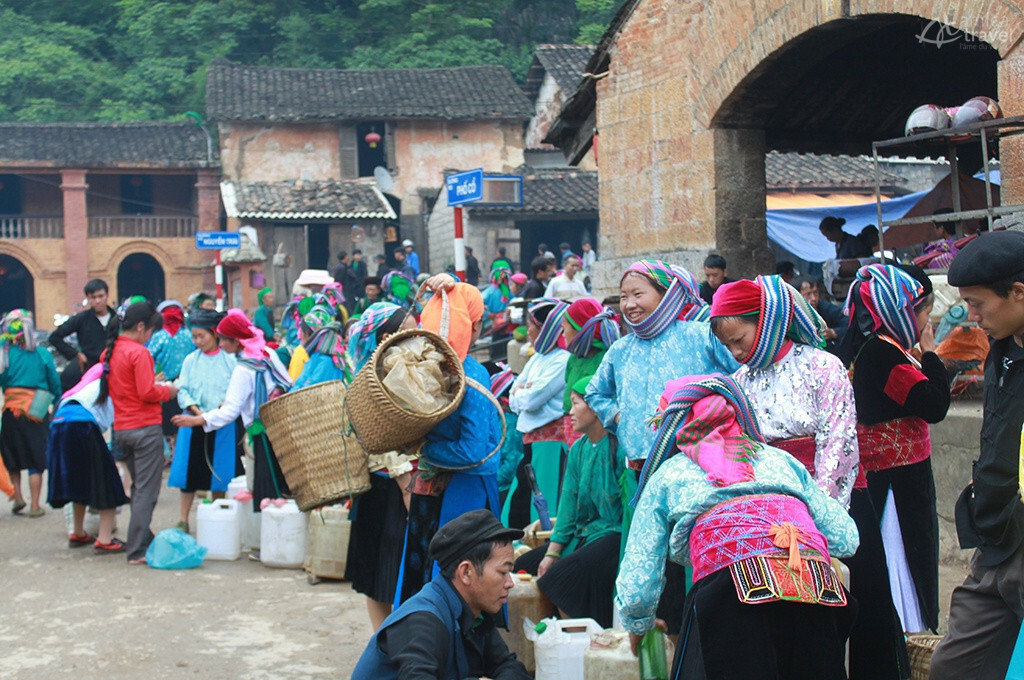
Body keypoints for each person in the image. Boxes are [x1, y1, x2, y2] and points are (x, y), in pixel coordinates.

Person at [616, 375, 859, 679]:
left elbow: (639, 577)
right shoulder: (781, 461)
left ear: (675, 426)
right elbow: (846, 539)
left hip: (729, 598)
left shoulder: (670, 473)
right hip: (814, 588)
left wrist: (638, 624)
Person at [586, 260, 738, 637]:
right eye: (623, 297)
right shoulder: (620, 351)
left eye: (638, 294)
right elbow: (595, 392)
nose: (629, 304)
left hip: (695, 471)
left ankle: (699, 637)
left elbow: (739, 375)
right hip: (640, 472)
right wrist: (619, 417)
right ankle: (655, 643)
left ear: (667, 294)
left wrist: (714, 412)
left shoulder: (699, 336)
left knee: (692, 555)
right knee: (649, 559)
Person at [928, 231, 1024, 677]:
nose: (972, 315)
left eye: (979, 303)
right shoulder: (1001, 349)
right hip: (997, 536)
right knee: (956, 665)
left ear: (1019, 293)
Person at [836, 264, 950, 639]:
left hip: (896, 476)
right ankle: (903, 633)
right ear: (901, 312)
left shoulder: (885, 350)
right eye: (923, 310)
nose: (927, 319)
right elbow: (933, 405)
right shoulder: (886, 355)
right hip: (896, 482)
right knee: (901, 552)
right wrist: (932, 354)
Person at [396, 279, 503, 604]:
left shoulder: (420, 368)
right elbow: (475, 450)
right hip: (464, 497)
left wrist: (423, 450)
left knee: (423, 581)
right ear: (473, 323)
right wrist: (430, 450)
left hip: (428, 490)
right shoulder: (471, 373)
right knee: (458, 588)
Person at [352, 509, 530, 679]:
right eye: (502, 573)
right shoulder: (424, 621)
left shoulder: (475, 610)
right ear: (466, 572)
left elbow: (509, 666)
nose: (510, 583)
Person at [514, 377, 625, 627]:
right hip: (585, 533)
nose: (570, 412)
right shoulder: (578, 450)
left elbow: (630, 507)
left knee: (563, 578)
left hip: (616, 535)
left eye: (575, 404)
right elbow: (567, 508)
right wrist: (552, 552)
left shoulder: (620, 447)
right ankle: (551, 639)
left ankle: (579, 645)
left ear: (596, 407)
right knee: (525, 564)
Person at [171, 309, 293, 520]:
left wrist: (198, 419)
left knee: (268, 491)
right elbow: (287, 382)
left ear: (236, 341)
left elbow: (230, 411)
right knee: (283, 486)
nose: (220, 343)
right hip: (279, 425)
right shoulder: (266, 353)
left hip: (261, 432)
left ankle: (269, 543)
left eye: (223, 340)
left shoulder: (242, 369)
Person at [344, 302, 417, 629]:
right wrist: (406, 488)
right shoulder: (380, 377)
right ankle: (386, 644)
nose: (418, 338)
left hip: (383, 487)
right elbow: (385, 441)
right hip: (389, 488)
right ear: (387, 336)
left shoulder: (381, 369)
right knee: (386, 571)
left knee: (379, 573)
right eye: (410, 332)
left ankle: (383, 642)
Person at [102, 301, 179, 563]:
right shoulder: (139, 353)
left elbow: (128, 387)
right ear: (141, 327)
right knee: (147, 491)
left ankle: (143, 538)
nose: (151, 337)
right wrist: (169, 391)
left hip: (122, 428)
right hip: (144, 428)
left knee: (138, 487)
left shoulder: (110, 353)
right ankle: (137, 549)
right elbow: (147, 392)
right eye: (150, 332)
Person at [167, 308, 241, 534]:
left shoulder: (230, 360)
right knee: (187, 472)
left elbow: (235, 389)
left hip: (221, 421)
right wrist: (196, 411)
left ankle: (219, 513)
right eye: (194, 336)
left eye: (202, 336)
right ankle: (183, 519)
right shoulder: (191, 360)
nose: (197, 341)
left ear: (214, 333)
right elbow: (183, 389)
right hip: (192, 419)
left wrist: (220, 408)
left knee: (220, 473)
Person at [47, 364, 129, 552]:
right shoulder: (116, 386)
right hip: (81, 425)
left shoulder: (86, 386)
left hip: (59, 423)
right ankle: (105, 539)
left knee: (79, 481)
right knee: (108, 483)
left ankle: (77, 532)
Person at [506, 299, 571, 528]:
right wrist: (521, 391)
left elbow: (531, 400)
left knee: (544, 505)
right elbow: (514, 396)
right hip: (531, 442)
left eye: (531, 325)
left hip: (550, 445)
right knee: (521, 502)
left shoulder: (562, 360)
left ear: (545, 329)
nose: (527, 331)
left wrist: (521, 391)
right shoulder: (537, 358)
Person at [0, 310, 61, 517]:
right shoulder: (41, 353)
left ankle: (18, 496)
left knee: (13, 458)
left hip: (10, 412)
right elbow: (54, 380)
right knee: (36, 460)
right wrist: (54, 399)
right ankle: (35, 506)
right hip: (36, 411)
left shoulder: (5, 353)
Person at [561, 298, 619, 444]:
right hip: (573, 426)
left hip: (598, 432)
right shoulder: (573, 359)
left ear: (579, 329)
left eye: (565, 329)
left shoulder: (606, 359)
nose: (562, 334)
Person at [50, 278, 117, 393]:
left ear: (107, 295)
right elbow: (55, 337)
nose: (97, 301)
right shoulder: (82, 319)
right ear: (88, 299)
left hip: (114, 367)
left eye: (101, 296)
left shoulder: (117, 319)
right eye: (93, 297)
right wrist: (76, 354)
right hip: (88, 366)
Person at [148, 300, 195, 453]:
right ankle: (181, 451)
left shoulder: (159, 337)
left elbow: (149, 357)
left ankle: (170, 452)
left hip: (164, 385)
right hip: (186, 384)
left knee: (167, 421)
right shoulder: (189, 335)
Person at [293, 312, 353, 389]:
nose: (300, 336)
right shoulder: (318, 357)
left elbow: (308, 391)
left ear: (310, 334)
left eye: (302, 332)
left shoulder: (325, 361)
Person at [792, 275, 849, 353]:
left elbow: (847, 323)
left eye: (815, 293)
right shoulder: (791, 315)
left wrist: (833, 332)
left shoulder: (825, 308)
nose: (814, 298)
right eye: (808, 294)